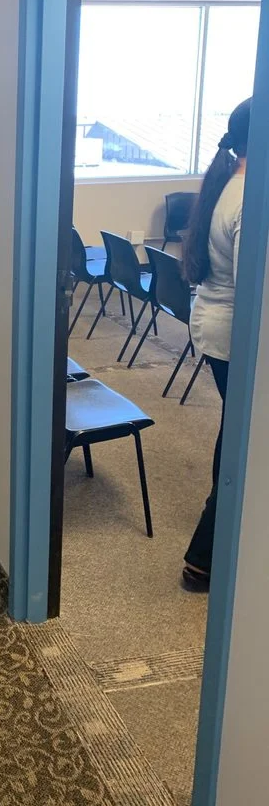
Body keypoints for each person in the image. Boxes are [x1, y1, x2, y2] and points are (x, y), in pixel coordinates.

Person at [181, 96, 251, 592]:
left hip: (211, 323)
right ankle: (203, 558)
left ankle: (215, 549)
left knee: (235, 434)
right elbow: (253, 286)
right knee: (241, 442)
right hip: (232, 332)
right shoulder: (250, 196)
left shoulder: (226, 182)